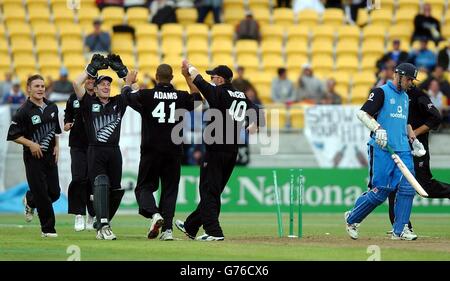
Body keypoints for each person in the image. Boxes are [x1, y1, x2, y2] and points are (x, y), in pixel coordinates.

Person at [174, 61, 263, 241]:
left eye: (213, 77)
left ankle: (214, 232)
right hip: (231, 150)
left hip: (216, 149)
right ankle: (191, 226)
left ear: (221, 79)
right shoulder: (240, 95)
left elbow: (200, 83)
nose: (211, 80)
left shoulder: (220, 92)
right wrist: (255, 124)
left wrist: (190, 70)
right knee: (213, 192)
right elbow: (256, 109)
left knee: (208, 191)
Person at [344, 63, 425, 241]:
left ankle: (400, 229)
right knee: (381, 191)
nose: (411, 83)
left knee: (407, 188)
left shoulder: (405, 97)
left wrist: (414, 139)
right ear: (399, 75)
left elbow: (404, 122)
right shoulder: (381, 92)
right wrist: (378, 128)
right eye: (409, 79)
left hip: (403, 149)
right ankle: (352, 218)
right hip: (382, 148)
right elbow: (363, 114)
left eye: (412, 80)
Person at [121, 65, 202, 241]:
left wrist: (128, 82)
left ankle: (155, 214)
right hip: (174, 150)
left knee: (144, 187)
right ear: (171, 77)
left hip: (151, 150)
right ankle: (167, 230)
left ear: (157, 77)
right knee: (170, 190)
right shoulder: (180, 96)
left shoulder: (146, 95)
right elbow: (197, 98)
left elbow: (126, 97)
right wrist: (188, 78)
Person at [73, 53, 139, 240]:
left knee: (116, 190)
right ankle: (103, 226)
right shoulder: (88, 102)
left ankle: (102, 220)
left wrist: (122, 71)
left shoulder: (118, 102)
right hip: (95, 150)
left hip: (114, 151)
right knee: (100, 183)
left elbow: (136, 91)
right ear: (95, 86)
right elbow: (76, 84)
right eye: (102, 83)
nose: (106, 86)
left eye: (108, 84)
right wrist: (90, 69)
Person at [386, 84, 449, 234]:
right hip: (400, 148)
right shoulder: (395, 95)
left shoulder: (418, 95)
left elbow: (436, 117)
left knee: (423, 187)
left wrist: (414, 132)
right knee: (393, 186)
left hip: (417, 150)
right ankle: (401, 226)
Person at [6, 74, 62, 237]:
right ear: (28, 89)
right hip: (33, 159)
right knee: (42, 195)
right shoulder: (23, 111)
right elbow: (13, 135)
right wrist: (31, 144)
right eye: (36, 86)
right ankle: (48, 229)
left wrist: (57, 146)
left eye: (42, 86)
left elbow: (56, 130)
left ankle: (30, 200)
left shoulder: (52, 107)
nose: (40, 89)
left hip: (50, 157)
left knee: (55, 193)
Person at [64, 73, 97, 232]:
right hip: (77, 143)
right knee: (78, 178)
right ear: (84, 81)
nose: (90, 81)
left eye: (93, 79)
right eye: (88, 78)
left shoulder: (99, 98)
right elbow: (68, 114)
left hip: (95, 145)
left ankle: (92, 214)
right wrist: (67, 123)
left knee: (92, 180)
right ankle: (79, 214)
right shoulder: (73, 97)